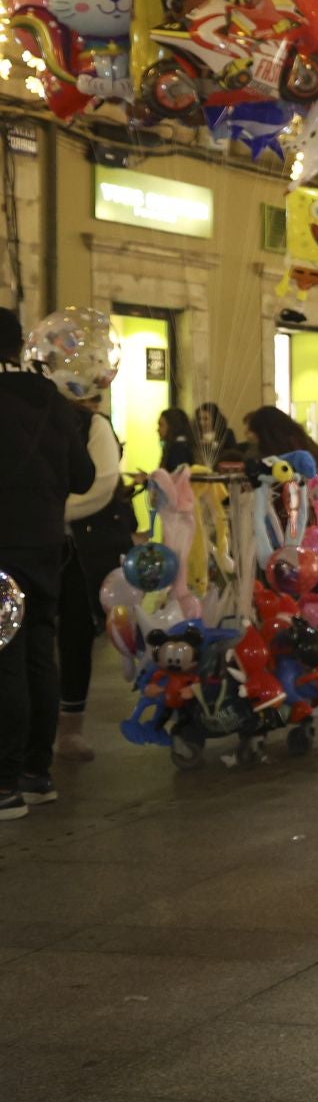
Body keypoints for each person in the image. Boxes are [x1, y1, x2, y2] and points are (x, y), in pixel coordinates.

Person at [0, 308, 95, 818]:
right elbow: (82, 476)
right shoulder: (54, 403)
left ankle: (4, 782)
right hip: (44, 550)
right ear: (20, 347)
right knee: (39, 652)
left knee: (5, 659)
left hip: (2, 552)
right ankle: (38, 774)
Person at [58, 389, 127, 762]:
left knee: (75, 632)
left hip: (81, 547)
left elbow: (101, 486)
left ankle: (70, 726)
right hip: (34, 540)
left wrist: (47, 509)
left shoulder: (93, 426)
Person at [247, 407, 318, 594]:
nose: (248, 436)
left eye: (252, 431)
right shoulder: (310, 449)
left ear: (264, 433)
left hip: (306, 544)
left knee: (299, 612)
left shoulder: (278, 464)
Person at [194, 402, 236, 469]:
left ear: (215, 419)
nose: (201, 423)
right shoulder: (195, 435)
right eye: (199, 419)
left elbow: (232, 453)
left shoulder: (226, 434)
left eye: (205, 419)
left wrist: (213, 444)